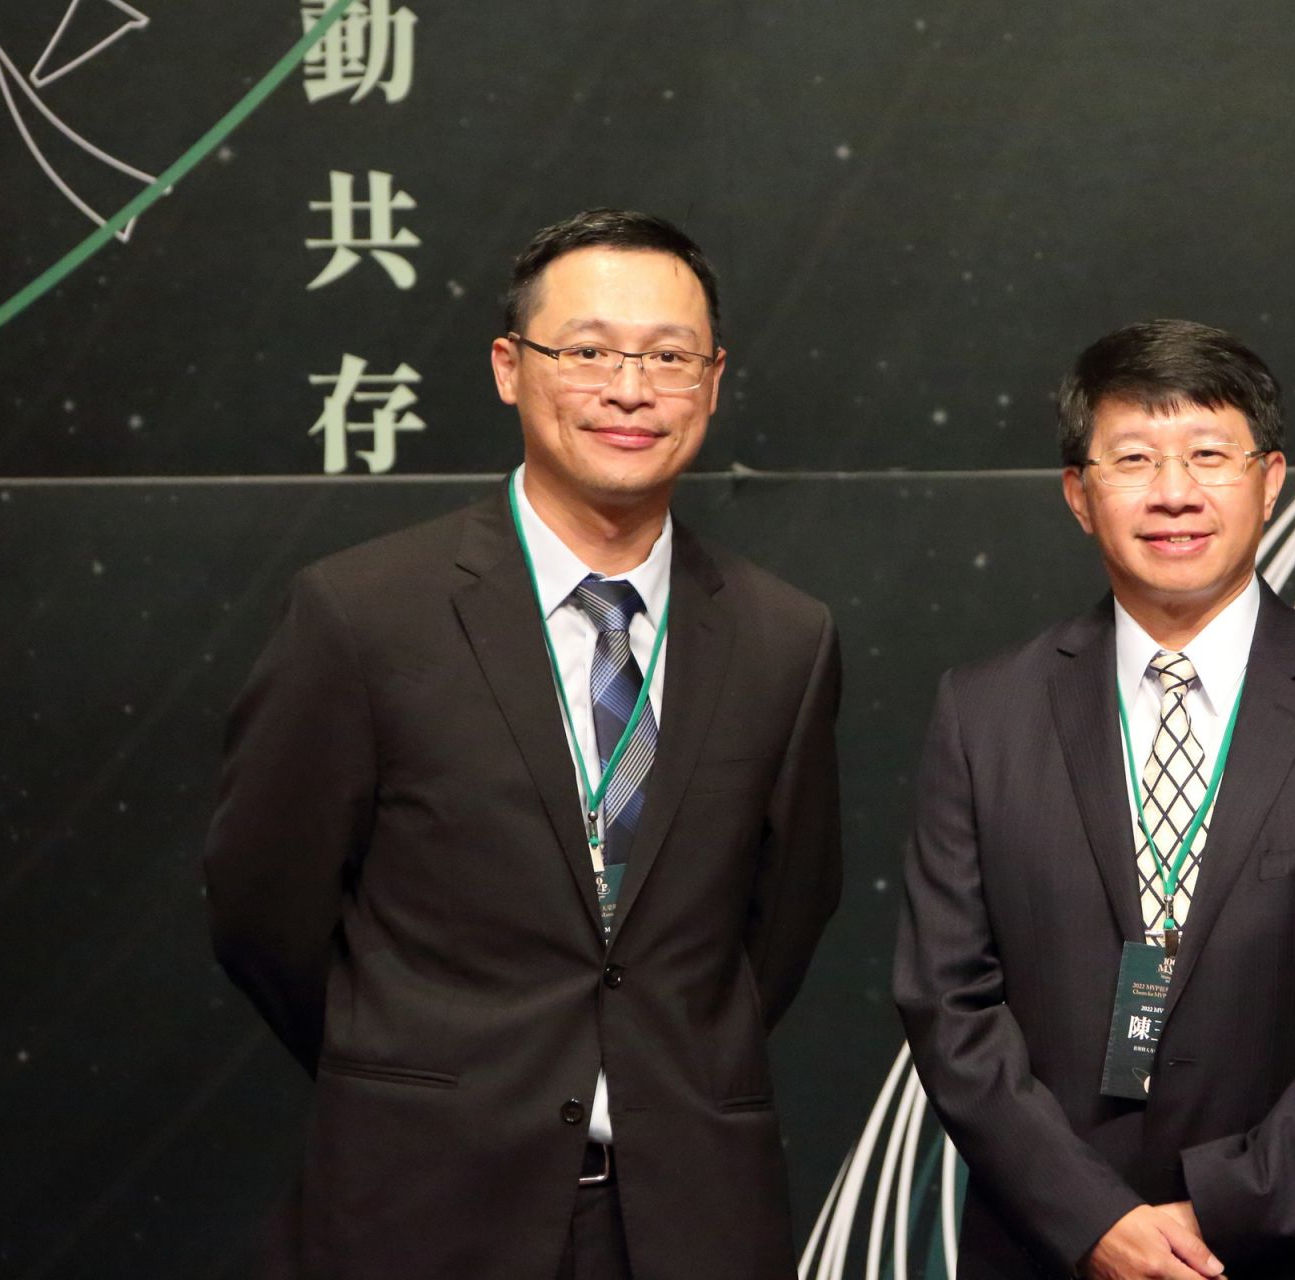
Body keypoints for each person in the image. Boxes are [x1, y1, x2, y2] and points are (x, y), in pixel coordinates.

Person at [204, 209, 842, 1280]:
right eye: (587, 351)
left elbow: (781, 921)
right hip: (424, 1205)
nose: (630, 390)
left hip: (689, 1216)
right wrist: (416, 1070)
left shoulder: (785, 636)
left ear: (713, 381)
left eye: (668, 357)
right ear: (510, 367)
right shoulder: (365, 612)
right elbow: (264, 908)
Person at [894, 320, 1295, 1279]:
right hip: (1054, 1249)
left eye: (1209, 455)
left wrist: (1221, 1211)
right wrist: (1093, 1222)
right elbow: (947, 1003)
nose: (1174, 492)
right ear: (1079, 494)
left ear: (1271, 479)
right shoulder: (984, 713)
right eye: (1133, 459)